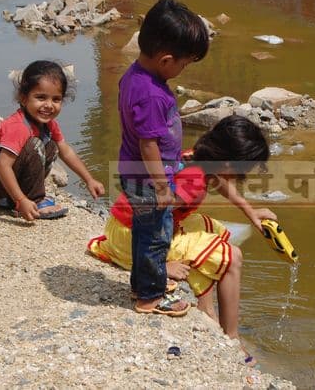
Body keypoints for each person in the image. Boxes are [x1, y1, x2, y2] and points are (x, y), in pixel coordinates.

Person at [89, 115, 276, 364]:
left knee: (213, 229)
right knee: (231, 257)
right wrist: (158, 264)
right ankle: (231, 337)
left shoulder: (197, 157)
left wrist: (251, 212)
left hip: (121, 224)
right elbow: (153, 210)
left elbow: (218, 182)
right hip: (133, 235)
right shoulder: (194, 182)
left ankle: (206, 306)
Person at [117, 0, 209, 317]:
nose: (183, 69)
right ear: (166, 59)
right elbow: (148, 144)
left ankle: (140, 284)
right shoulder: (154, 94)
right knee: (157, 236)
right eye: (184, 64)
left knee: (144, 233)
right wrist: (161, 186)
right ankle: (152, 297)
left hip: (134, 173)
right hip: (148, 179)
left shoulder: (133, 76)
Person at [0, 60, 105, 221]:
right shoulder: (19, 127)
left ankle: (13, 197)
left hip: (4, 175)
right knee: (34, 145)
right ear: (23, 98)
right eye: (41, 97)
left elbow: (66, 151)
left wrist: (89, 179)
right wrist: (21, 200)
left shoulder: (49, 125)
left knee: (51, 146)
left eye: (56, 99)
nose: (49, 105)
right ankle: (34, 200)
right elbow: (3, 165)